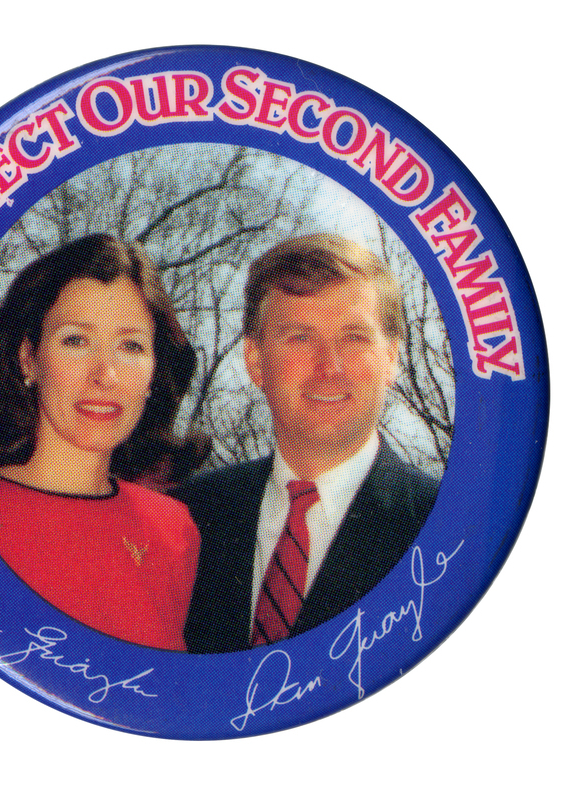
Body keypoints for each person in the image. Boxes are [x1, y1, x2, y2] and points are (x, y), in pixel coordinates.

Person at [174, 233, 441, 653]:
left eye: (354, 337)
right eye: (299, 336)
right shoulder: (186, 519)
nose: (329, 367)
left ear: (391, 358)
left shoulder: (447, 527)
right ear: (255, 361)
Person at [0, 234, 207, 651]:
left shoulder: (173, 531)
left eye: (131, 346)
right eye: (76, 340)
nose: (106, 375)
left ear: (154, 371)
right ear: (29, 357)